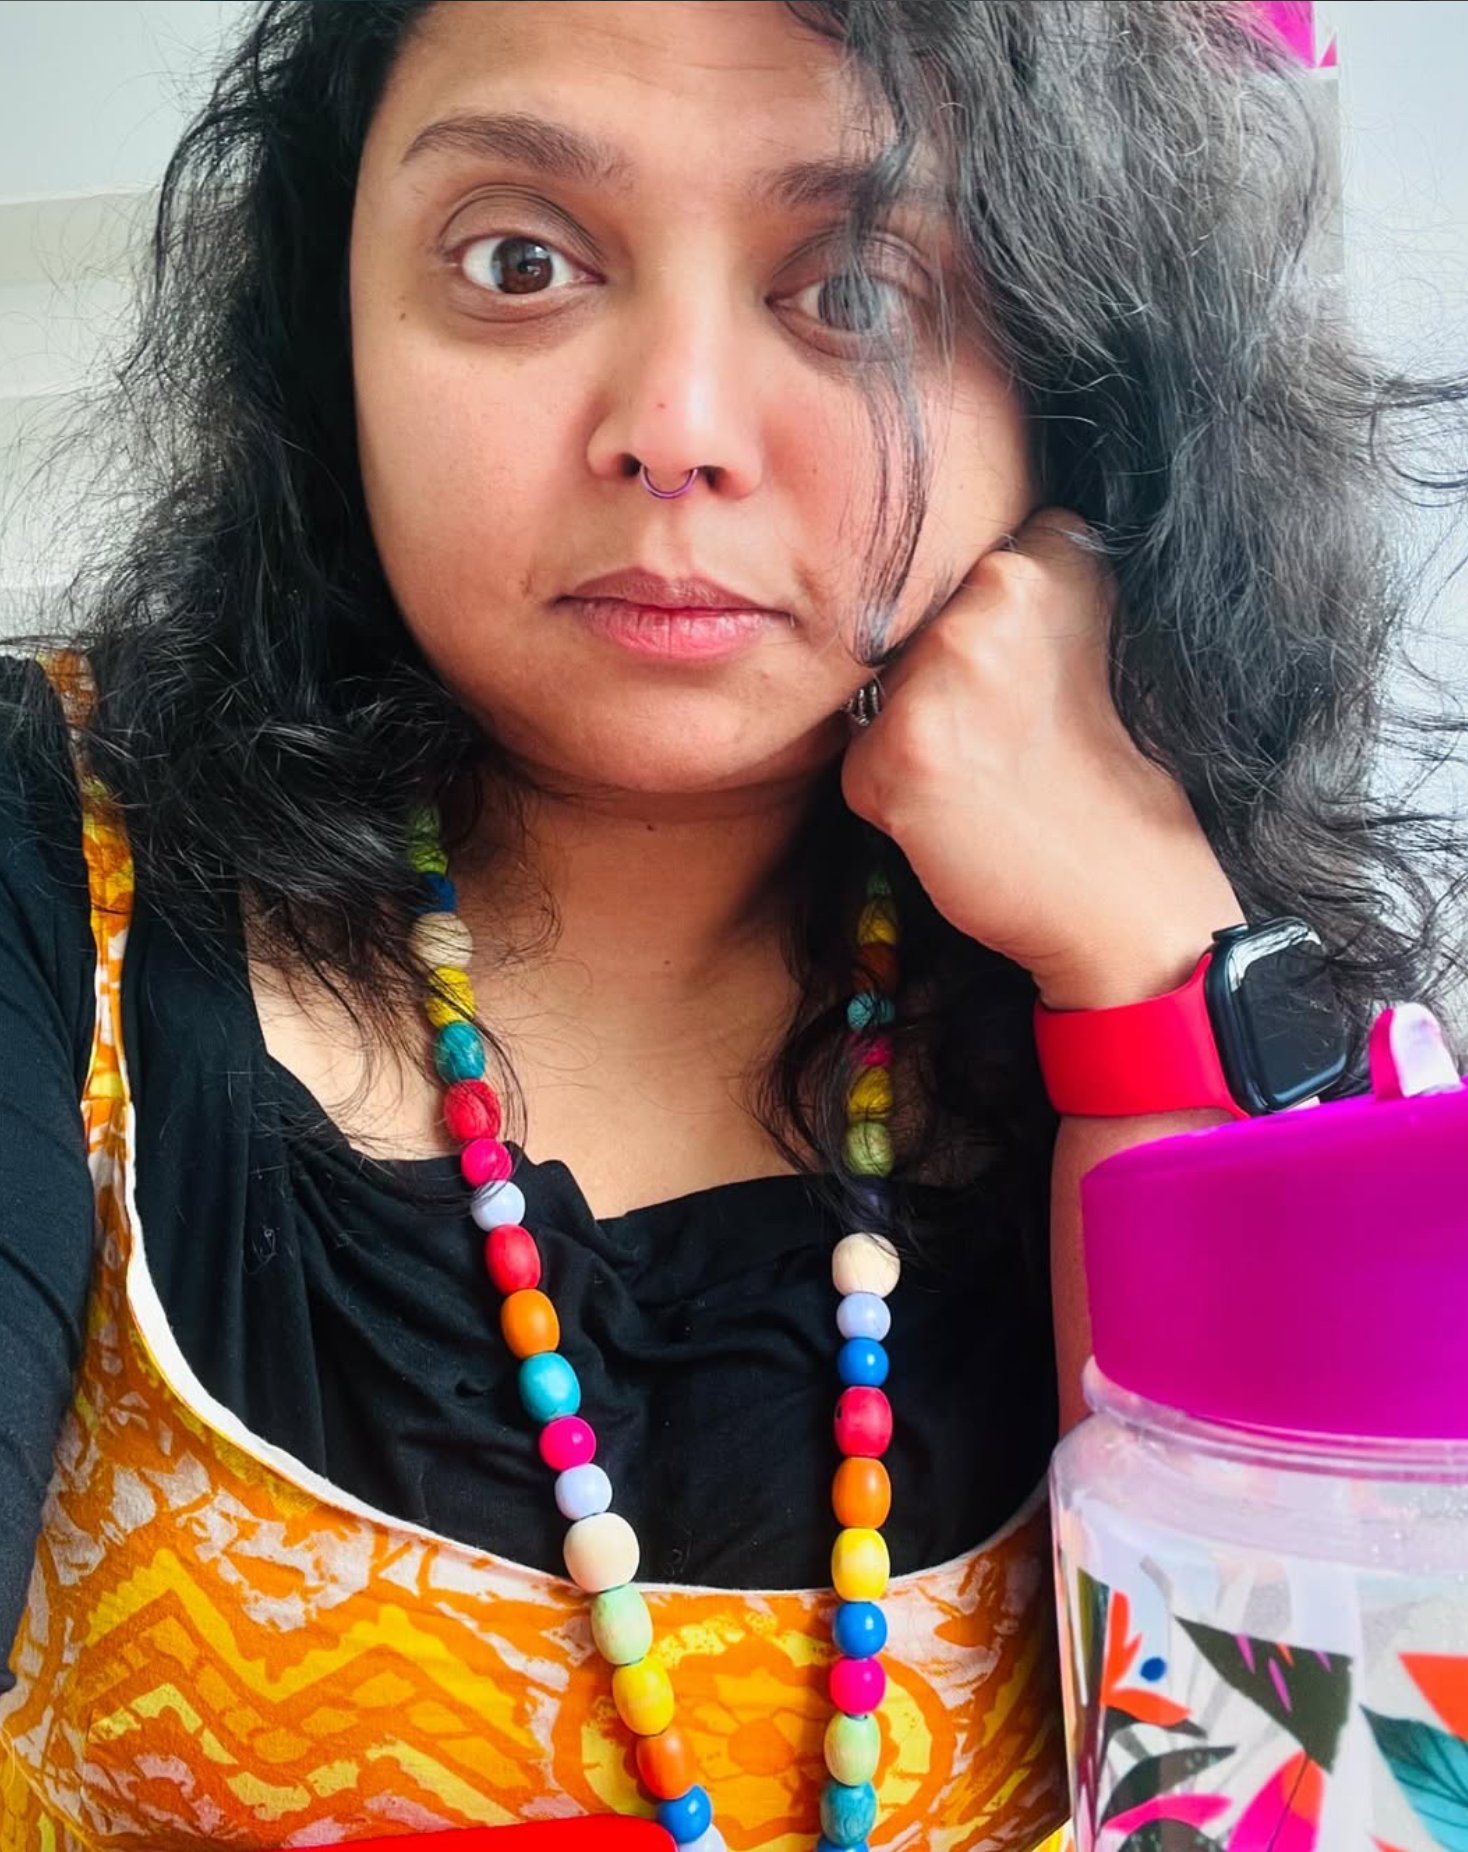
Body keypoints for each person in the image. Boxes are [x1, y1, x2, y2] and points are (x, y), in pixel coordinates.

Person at [0, 2, 1461, 1847]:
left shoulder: (1289, 1016)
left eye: (856, 287)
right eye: (519, 259)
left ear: (1076, 376)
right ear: (330, 325)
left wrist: (1154, 982)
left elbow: (1338, 1803)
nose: (673, 431)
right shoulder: (57, 859)